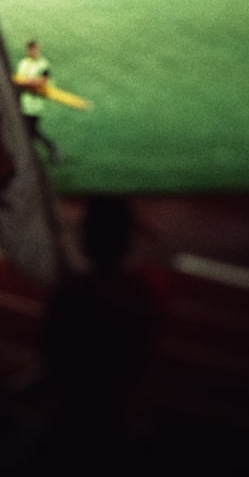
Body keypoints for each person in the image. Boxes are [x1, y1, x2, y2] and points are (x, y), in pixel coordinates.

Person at [36, 197, 163, 473]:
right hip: (116, 426)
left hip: (69, 426)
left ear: (88, 238)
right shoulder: (139, 297)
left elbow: (51, 365)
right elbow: (140, 369)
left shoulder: (70, 296)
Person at [14, 39, 61, 164]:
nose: (35, 52)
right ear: (28, 51)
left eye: (37, 50)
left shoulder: (43, 64)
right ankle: (51, 148)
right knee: (29, 131)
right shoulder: (23, 63)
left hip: (36, 104)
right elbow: (19, 80)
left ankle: (50, 148)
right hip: (24, 102)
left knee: (29, 131)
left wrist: (29, 82)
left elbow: (44, 81)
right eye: (32, 50)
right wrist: (29, 83)